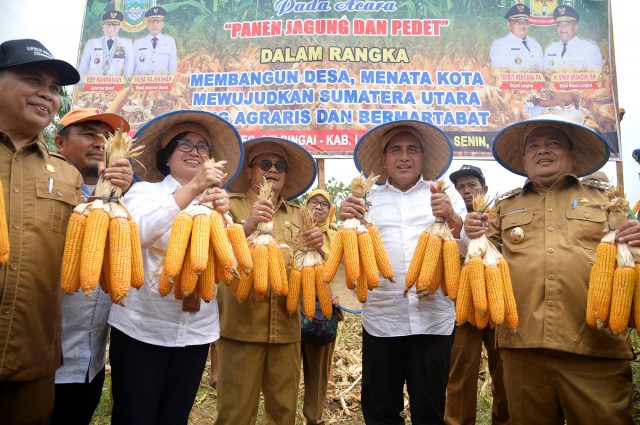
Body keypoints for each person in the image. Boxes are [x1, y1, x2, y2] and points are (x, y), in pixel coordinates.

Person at [465, 115, 640, 424]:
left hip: (594, 345)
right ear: (523, 159)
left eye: (553, 144)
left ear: (573, 155)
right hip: (522, 349)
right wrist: (470, 229)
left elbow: (632, 252)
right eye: (533, 145)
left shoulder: (607, 202)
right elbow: (476, 257)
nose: (542, 151)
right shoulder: (504, 207)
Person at [107, 110, 243, 424]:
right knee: (134, 416)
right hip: (142, 329)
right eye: (185, 144)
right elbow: (137, 232)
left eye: (203, 147)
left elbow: (232, 267)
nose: (195, 152)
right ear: (167, 156)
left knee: (174, 417)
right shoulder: (144, 193)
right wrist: (193, 189)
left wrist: (228, 222)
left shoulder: (217, 205)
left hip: (195, 334)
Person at [340, 120, 468, 424]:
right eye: (395, 150)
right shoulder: (367, 201)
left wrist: (451, 215)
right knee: (381, 409)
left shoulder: (443, 196)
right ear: (384, 160)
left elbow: (466, 249)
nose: (404, 157)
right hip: (383, 320)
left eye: (412, 149)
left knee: (430, 410)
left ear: (423, 158)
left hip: (433, 319)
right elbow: (350, 255)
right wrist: (345, 222)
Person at [0, 38, 81, 425]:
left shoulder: (69, 175)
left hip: (33, 353)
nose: (47, 95)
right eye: (33, 79)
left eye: (54, 89)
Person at [215, 137, 319, 425]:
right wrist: (247, 225)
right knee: (235, 413)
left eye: (280, 165)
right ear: (249, 171)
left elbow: (318, 269)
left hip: (287, 330)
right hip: (241, 328)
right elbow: (216, 255)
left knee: (283, 413)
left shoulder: (301, 215)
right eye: (264, 163)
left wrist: (317, 246)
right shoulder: (228, 207)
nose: (272, 169)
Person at [51, 108, 133, 425]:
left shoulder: (126, 201)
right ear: (59, 142)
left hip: (90, 363)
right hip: (40, 361)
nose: (100, 142)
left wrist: (116, 196)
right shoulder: (42, 188)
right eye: (88, 133)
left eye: (105, 136)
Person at [444, 164, 509, 425]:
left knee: (504, 371)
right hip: (464, 306)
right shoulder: (449, 221)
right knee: (461, 371)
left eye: (472, 185)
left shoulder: (501, 215)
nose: (466, 191)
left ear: (485, 189)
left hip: (498, 302)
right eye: (460, 187)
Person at [300, 189, 340, 425]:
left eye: (324, 204)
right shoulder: (294, 231)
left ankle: (313, 418)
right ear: (305, 206)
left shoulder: (336, 236)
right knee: (289, 369)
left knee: (318, 372)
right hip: (293, 308)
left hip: (324, 311)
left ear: (330, 210)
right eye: (313, 202)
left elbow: (344, 270)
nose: (318, 207)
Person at [544, 5, 603, 72]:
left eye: (566, 24)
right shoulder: (550, 49)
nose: (562, 28)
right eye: (559, 24)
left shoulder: (590, 49)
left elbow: (598, 78)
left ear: (576, 27)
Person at [78, 10, 134, 78]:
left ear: (119, 27)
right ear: (103, 26)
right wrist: (80, 84)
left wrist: (126, 83)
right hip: (94, 86)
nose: (110, 28)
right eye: (108, 24)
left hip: (116, 85)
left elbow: (129, 68)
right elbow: (83, 67)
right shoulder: (91, 43)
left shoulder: (127, 44)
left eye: (114, 25)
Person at [490, 4, 543, 72]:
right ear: (509, 25)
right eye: (517, 22)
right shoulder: (499, 45)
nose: (522, 25)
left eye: (525, 22)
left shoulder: (536, 44)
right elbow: (498, 71)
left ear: (529, 25)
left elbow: (542, 70)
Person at [133, 6, 178, 75]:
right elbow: (131, 68)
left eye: (158, 21)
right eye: (152, 22)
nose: (155, 25)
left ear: (163, 24)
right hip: (141, 84)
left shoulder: (170, 42)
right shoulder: (137, 43)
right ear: (147, 24)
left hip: (162, 84)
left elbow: (172, 68)